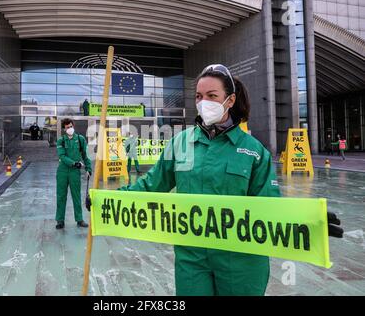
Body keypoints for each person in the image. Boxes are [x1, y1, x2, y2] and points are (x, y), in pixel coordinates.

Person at [102, 64, 343, 296]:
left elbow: (270, 205)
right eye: (198, 96)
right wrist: (109, 200)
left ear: (230, 100)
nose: (203, 102)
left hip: (241, 261)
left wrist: (307, 221)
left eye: (211, 95)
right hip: (192, 259)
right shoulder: (180, 144)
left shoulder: (254, 151)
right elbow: (150, 185)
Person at [55, 118, 92, 229]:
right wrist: (74, 163)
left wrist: (88, 168)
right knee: (61, 196)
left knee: (76, 195)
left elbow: (85, 155)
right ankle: (60, 220)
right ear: (64, 129)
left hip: (75, 173)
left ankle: (79, 219)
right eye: (67, 127)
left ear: (73, 126)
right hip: (62, 171)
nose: (70, 129)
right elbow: (61, 156)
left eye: (71, 126)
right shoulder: (61, 141)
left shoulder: (80, 139)